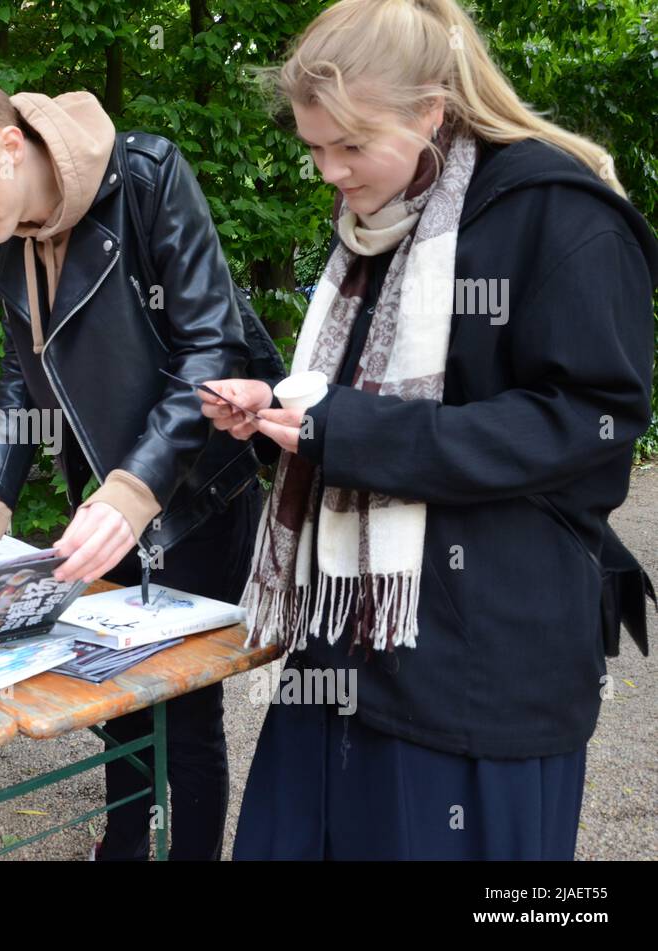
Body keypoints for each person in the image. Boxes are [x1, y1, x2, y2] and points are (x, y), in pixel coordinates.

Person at [200, 0, 657, 859]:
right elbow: (359, 397)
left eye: (348, 146)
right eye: (314, 147)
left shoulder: (565, 214)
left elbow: (587, 424)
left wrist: (352, 430)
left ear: (429, 112)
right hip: (345, 647)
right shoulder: (390, 210)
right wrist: (279, 408)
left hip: (481, 672)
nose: (329, 171)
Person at [0, 59, 282, 860]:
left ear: (8, 145)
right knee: (119, 704)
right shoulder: (6, 231)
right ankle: (122, 847)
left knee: (186, 714)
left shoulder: (150, 174)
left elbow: (211, 347)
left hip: (196, 492)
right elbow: (20, 381)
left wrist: (133, 493)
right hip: (109, 505)